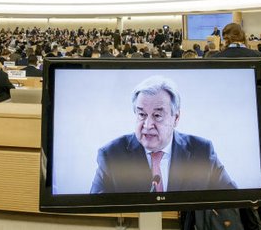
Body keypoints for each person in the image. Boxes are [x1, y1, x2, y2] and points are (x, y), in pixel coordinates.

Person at [91, 76, 235, 194]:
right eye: (141, 114)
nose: (147, 125)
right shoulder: (111, 155)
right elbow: (95, 211)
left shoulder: (202, 150)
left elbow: (233, 199)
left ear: (176, 118)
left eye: (157, 115)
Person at [212, 23, 261, 229]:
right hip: (253, 122)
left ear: (224, 39)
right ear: (243, 37)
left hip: (222, 124)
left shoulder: (214, 58)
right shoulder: (258, 57)